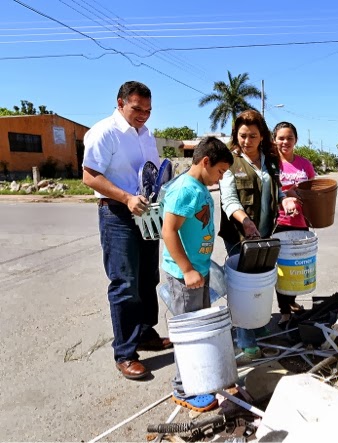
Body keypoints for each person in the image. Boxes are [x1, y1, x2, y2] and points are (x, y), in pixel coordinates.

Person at [82, 81, 172, 381]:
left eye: (148, 110)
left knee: (148, 277)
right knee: (125, 283)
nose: (143, 115)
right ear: (120, 103)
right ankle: (125, 352)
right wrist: (127, 198)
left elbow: (151, 173)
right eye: (137, 109)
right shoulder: (103, 132)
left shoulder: (146, 135)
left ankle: (145, 333)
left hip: (146, 213)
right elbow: (89, 176)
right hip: (118, 213)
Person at [219, 110, 298, 359]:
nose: (247, 141)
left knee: (262, 284)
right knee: (243, 288)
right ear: (236, 135)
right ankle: (246, 342)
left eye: (253, 135)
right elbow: (229, 200)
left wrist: (285, 200)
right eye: (242, 135)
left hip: (265, 233)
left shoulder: (271, 160)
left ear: (262, 136)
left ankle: (260, 325)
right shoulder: (230, 161)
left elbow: (277, 189)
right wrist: (246, 223)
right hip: (240, 236)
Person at [161, 136, 233, 412]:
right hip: (184, 276)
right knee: (188, 333)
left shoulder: (199, 186)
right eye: (220, 171)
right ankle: (183, 388)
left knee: (199, 328)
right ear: (205, 162)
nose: (220, 178)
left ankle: (198, 377)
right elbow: (168, 231)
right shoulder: (185, 189)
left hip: (197, 272)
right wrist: (187, 269)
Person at [272, 122, 316, 325]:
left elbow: (312, 191)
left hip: (300, 223)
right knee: (282, 268)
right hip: (278, 223)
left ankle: (292, 301)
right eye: (281, 138)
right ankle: (285, 311)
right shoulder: (271, 164)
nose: (285, 142)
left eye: (289, 138)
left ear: (296, 140)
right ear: (274, 140)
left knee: (298, 264)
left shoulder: (305, 164)